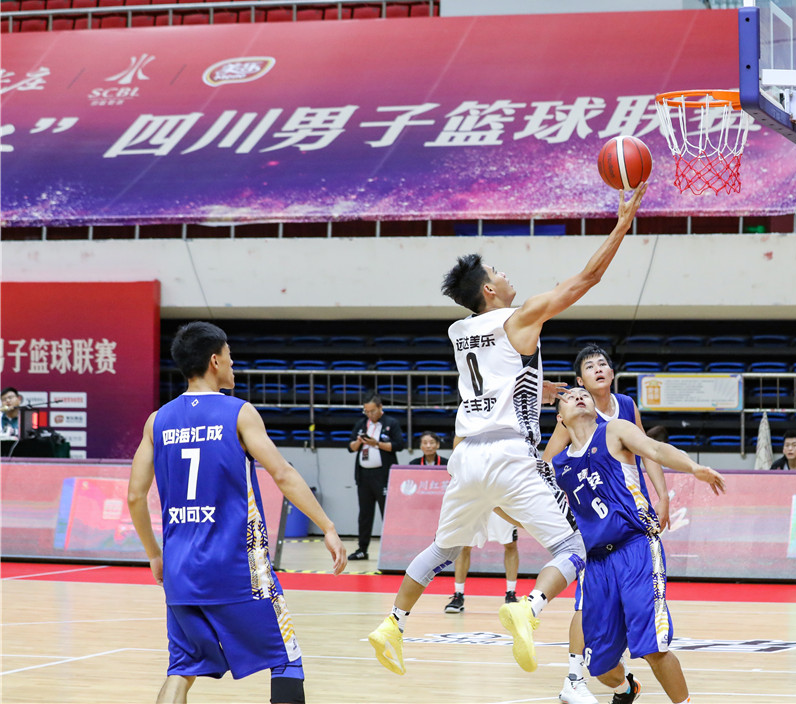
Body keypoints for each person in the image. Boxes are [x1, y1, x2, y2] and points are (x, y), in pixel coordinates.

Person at [366, 184, 648, 677]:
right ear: (489, 291)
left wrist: (542, 389)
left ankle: (393, 624)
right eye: (497, 271)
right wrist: (622, 223)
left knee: (441, 548)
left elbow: (502, 381)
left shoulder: (459, 332)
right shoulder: (519, 319)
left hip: (466, 456)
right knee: (574, 548)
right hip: (510, 454)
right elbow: (588, 278)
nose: (505, 273)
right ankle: (529, 607)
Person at [126, 321, 346, 704]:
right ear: (214, 361)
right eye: (230, 358)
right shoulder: (239, 413)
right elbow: (282, 473)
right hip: (238, 568)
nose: (233, 365)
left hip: (180, 568)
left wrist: (154, 555)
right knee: (286, 659)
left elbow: (134, 496)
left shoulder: (156, 421)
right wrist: (326, 525)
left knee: (182, 668)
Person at [551, 387, 726, 704]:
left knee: (652, 647)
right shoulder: (560, 464)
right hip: (597, 563)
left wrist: (692, 467)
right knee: (600, 665)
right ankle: (627, 688)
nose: (579, 397)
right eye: (570, 395)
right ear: (560, 418)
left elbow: (655, 449)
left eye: (584, 394)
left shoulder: (615, 430)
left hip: (636, 547)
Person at [542, 344, 671, 704]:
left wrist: (662, 496)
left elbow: (649, 450)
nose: (598, 369)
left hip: (628, 519)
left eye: (603, 364)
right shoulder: (575, 413)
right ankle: (574, 677)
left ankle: (608, 676)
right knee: (583, 604)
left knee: (631, 614)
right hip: (592, 526)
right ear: (578, 380)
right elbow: (546, 468)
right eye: (590, 366)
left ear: (612, 373)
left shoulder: (625, 406)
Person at [346, 394, 405, 561]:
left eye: (372, 411)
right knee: (365, 514)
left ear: (380, 408)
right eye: (366, 411)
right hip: (364, 475)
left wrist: (376, 444)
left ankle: (392, 549)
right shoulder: (361, 424)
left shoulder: (390, 423)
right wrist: (359, 442)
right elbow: (350, 447)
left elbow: (399, 445)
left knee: (387, 512)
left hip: (383, 475)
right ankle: (362, 549)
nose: (369, 414)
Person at [444, 512, 520, 613]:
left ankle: (511, 594)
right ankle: (458, 595)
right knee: (464, 545)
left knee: (510, 543)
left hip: (500, 503)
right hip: (475, 504)